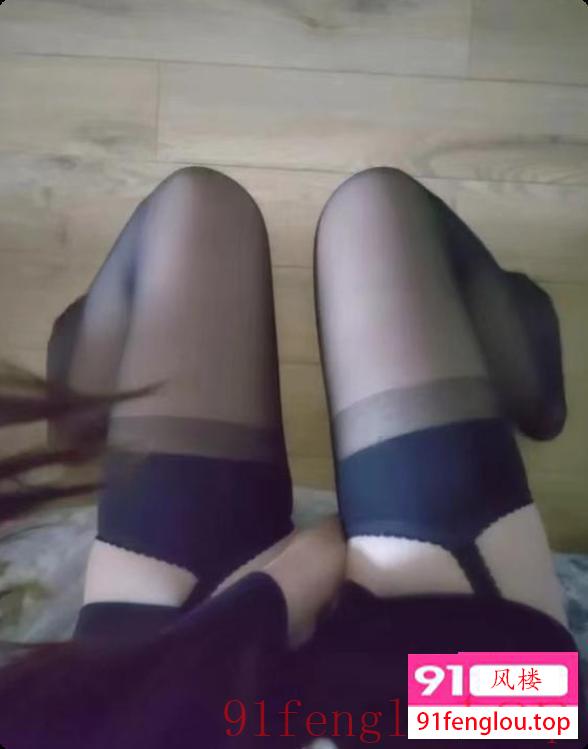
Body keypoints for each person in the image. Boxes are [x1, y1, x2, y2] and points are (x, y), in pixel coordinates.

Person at [0, 166, 584, 747]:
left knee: (200, 205)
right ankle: (525, 370)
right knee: (373, 206)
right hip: (455, 696)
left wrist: (279, 591)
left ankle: (82, 392)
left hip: (141, 677)